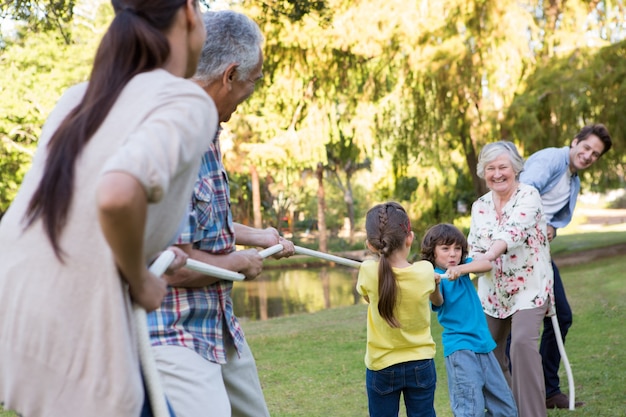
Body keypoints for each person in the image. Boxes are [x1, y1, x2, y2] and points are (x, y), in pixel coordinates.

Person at [0, 1, 218, 416]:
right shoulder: (187, 102)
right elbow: (117, 194)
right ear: (189, 12)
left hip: (13, 309)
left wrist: (147, 254)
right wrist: (140, 279)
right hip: (74, 324)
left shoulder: (78, 99)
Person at [147, 10, 295, 417]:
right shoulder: (173, 133)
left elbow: (200, 221)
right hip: (174, 331)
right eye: (253, 81)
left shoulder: (209, 131)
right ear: (229, 75)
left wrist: (259, 238)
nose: (252, 91)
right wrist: (237, 263)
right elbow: (169, 263)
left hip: (218, 322)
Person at [519, 124, 612, 409]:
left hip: (540, 252)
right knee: (517, 323)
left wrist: (552, 230)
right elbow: (523, 192)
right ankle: (515, 393)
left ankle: (549, 390)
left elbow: (554, 220)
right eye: (586, 148)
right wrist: (539, 226)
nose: (588, 156)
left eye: (594, 154)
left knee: (561, 315)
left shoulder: (574, 181)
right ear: (574, 142)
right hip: (517, 250)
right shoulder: (551, 160)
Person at [467, 141, 553, 417]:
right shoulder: (479, 206)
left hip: (529, 288)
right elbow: (474, 250)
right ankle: (508, 411)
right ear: (483, 172)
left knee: (521, 346)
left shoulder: (529, 195)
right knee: (486, 352)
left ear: (515, 168)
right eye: (490, 168)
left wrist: (489, 254)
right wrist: (457, 270)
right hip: (492, 293)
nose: (497, 173)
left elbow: (513, 233)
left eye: (503, 166)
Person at [421, 223, 518, 417]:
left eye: (457, 248)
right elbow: (438, 302)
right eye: (445, 248)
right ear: (432, 252)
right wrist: (433, 285)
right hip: (460, 348)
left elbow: (487, 264)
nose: (452, 254)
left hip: (484, 345)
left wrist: (462, 269)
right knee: (470, 408)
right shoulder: (436, 277)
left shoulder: (462, 269)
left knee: (506, 408)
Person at [356, 202, 443, 417]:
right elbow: (438, 302)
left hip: (381, 365)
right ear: (409, 237)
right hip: (420, 362)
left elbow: (368, 297)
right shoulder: (425, 271)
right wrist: (435, 285)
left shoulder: (367, 271)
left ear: (370, 244)